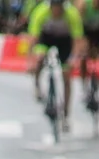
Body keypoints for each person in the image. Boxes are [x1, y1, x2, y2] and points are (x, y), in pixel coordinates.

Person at [27, 0, 84, 132]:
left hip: (65, 41)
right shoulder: (41, 12)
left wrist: (73, 59)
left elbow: (77, 40)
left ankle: (66, 114)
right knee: (40, 57)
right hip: (46, 38)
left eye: (59, 8)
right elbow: (33, 38)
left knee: (66, 75)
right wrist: (30, 61)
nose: (57, 11)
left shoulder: (72, 14)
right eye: (54, 8)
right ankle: (37, 84)